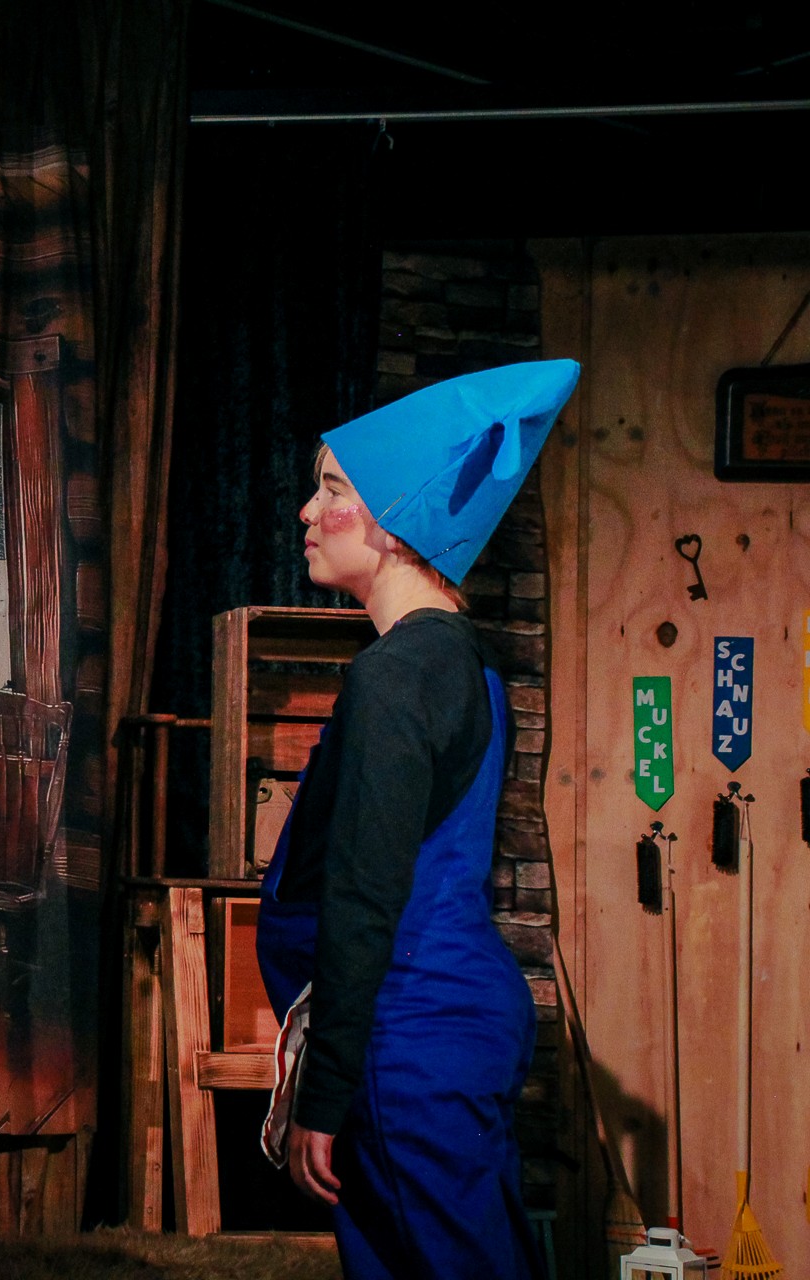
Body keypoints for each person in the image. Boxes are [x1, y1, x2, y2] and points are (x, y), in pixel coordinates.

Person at [256, 360, 581, 1280]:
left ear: (398, 521)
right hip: (445, 1024)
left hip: (411, 1032)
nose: (308, 512)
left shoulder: (397, 675)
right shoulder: (461, 663)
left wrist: (325, 1092)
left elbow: (366, 889)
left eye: (334, 491)